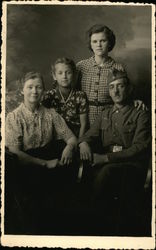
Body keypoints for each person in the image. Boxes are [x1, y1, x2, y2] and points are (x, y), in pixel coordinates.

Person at [78, 69, 151, 234]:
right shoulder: (105, 113)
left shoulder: (140, 113)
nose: (116, 91)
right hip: (106, 163)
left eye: (120, 86)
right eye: (112, 87)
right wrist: (83, 143)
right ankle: (96, 224)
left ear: (129, 88)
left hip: (131, 164)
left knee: (107, 172)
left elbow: (139, 147)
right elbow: (88, 135)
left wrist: (106, 158)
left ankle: (90, 222)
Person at [5, 71, 77, 234]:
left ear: (43, 90)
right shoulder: (14, 117)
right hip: (26, 166)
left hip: (50, 166)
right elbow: (15, 152)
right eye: (30, 87)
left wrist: (69, 147)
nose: (34, 91)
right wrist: (44, 164)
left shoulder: (51, 114)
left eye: (38, 87)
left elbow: (71, 138)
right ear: (22, 90)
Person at [77, 24, 145, 126]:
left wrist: (135, 101)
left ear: (109, 43)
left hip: (109, 118)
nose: (98, 45)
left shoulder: (118, 67)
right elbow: (73, 92)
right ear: (90, 44)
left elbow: (124, 95)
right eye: (95, 41)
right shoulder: (81, 66)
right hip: (84, 117)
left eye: (103, 41)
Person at [42, 57, 88, 138]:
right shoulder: (49, 96)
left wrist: (79, 143)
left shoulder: (80, 96)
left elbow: (83, 124)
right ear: (54, 76)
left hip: (76, 136)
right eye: (60, 73)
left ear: (74, 75)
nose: (64, 76)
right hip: (55, 138)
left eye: (68, 72)